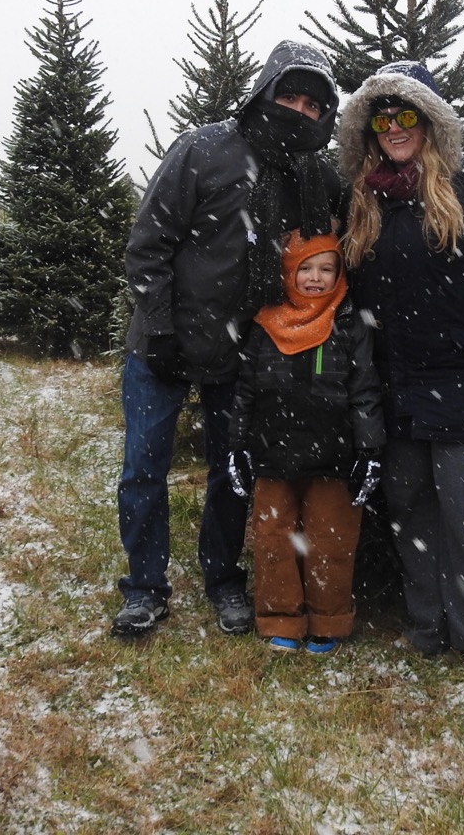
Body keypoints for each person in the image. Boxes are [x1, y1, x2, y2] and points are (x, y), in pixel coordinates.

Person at [111, 40, 342, 638]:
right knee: (144, 465)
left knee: (231, 469)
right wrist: (160, 328)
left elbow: (339, 242)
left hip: (242, 351)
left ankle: (223, 579)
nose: (300, 111)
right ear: (265, 91)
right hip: (161, 344)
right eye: (290, 96)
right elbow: (148, 245)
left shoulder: (312, 174)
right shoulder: (203, 149)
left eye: (314, 105)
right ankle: (144, 587)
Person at [336, 60, 464, 692]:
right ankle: (428, 626)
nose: (394, 128)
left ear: (430, 121)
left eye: (407, 116)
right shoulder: (365, 198)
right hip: (395, 390)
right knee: (410, 509)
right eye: (383, 119)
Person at [228, 230, 384, 654]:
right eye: (306, 269)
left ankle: (328, 620)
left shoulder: (348, 324)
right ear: (287, 272)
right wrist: (237, 445)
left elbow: (364, 391)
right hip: (272, 451)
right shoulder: (265, 323)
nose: (316, 278)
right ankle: (280, 617)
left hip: (334, 454)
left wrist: (369, 451)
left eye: (326, 269)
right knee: (273, 538)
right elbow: (245, 391)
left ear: (339, 274)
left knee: (331, 540)